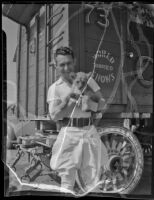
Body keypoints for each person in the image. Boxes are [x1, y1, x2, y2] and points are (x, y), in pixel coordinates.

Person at [47, 46, 108, 194]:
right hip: (69, 134)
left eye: (69, 63)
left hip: (88, 132)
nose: (66, 68)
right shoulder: (55, 88)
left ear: (74, 61)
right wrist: (71, 101)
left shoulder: (88, 80)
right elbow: (54, 116)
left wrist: (88, 103)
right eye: (62, 64)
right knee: (67, 180)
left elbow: (103, 105)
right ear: (56, 66)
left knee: (94, 180)